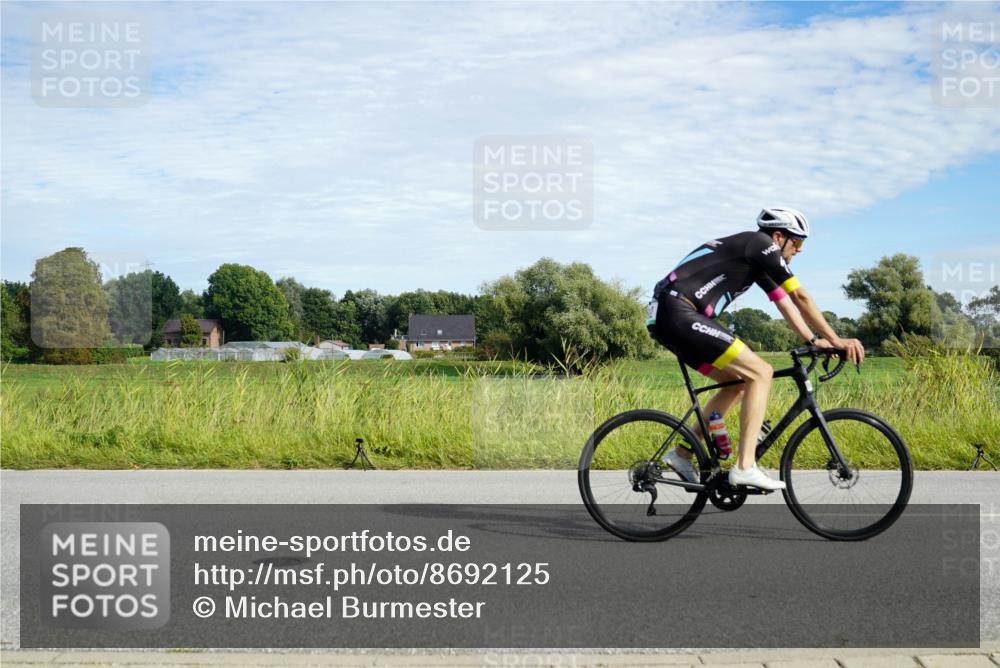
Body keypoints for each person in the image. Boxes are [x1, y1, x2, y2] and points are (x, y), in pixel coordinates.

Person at [646, 207, 864, 490]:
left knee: (737, 383)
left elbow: (785, 304)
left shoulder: (756, 257)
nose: (799, 250)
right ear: (778, 237)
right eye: (797, 241)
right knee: (761, 372)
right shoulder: (760, 244)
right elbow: (799, 296)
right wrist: (836, 340)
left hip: (668, 316)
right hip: (677, 311)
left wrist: (814, 340)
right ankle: (745, 466)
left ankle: (681, 454)